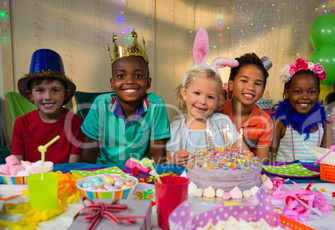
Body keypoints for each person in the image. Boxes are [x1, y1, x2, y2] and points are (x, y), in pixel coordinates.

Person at [80, 29, 170, 165]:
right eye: (121, 76)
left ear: (148, 82)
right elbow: (89, 154)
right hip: (105, 173)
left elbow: (156, 158)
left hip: (141, 174)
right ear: (112, 83)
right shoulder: (101, 103)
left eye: (138, 76)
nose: (129, 81)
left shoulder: (155, 104)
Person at [166, 28, 245, 167]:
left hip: (217, 185)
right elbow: (166, 160)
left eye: (210, 97)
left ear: (217, 100)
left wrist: (229, 158)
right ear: (184, 92)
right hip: (184, 185)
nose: (202, 101)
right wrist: (174, 159)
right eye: (197, 93)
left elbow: (244, 154)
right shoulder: (175, 126)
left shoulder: (222, 123)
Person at [11, 48, 84, 164]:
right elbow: (15, 166)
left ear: (66, 94)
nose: (47, 96)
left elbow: (73, 167)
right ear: (30, 95)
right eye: (40, 90)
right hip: (32, 179)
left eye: (55, 90)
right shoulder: (21, 124)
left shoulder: (76, 124)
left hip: (63, 179)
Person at [271, 58, 330, 163]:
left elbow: (325, 161)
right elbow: (270, 157)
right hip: (283, 177)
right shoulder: (280, 123)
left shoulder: (324, 125)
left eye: (311, 92)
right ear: (287, 93)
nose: (305, 97)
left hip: (313, 179)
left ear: (318, 93)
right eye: (298, 91)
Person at [221, 53, 273, 162]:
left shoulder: (265, 121)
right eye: (244, 81)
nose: (250, 87)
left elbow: (262, 162)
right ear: (231, 85)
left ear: (263, 91)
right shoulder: (217, 111)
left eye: (257, 83)